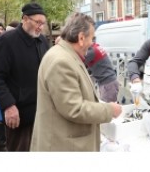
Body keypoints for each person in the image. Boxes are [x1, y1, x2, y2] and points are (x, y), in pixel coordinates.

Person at [31, 13, 122, 152]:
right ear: (81, 38)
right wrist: (109, 110)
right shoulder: (61, 61)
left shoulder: (65, 55)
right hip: (63, 146)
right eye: (92, 38)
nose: (92, 43)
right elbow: (74, 109)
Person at [0, 4, 50, 151]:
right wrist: (8, 106)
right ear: (25, 19)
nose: (40, 27)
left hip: (42, 113)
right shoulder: (6, 41)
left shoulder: (42, 41)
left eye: (43, 24)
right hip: (20, 115)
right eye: (37, 22)